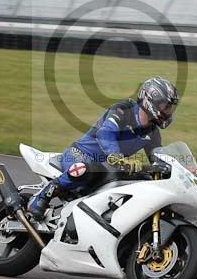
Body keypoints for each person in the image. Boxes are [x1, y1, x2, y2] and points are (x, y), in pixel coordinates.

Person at [27, 76, 180, 219]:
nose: (167, 112)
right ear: (149, 99)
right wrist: (116, 156)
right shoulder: (123, 109)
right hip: (80, 154)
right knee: (89, 169)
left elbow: (157, 158)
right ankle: (42, 196)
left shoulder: (152, 132)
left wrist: (177, 172)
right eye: (164, 106)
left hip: (109, 166)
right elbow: (106, 133)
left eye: (170, 108)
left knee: (144, 181)